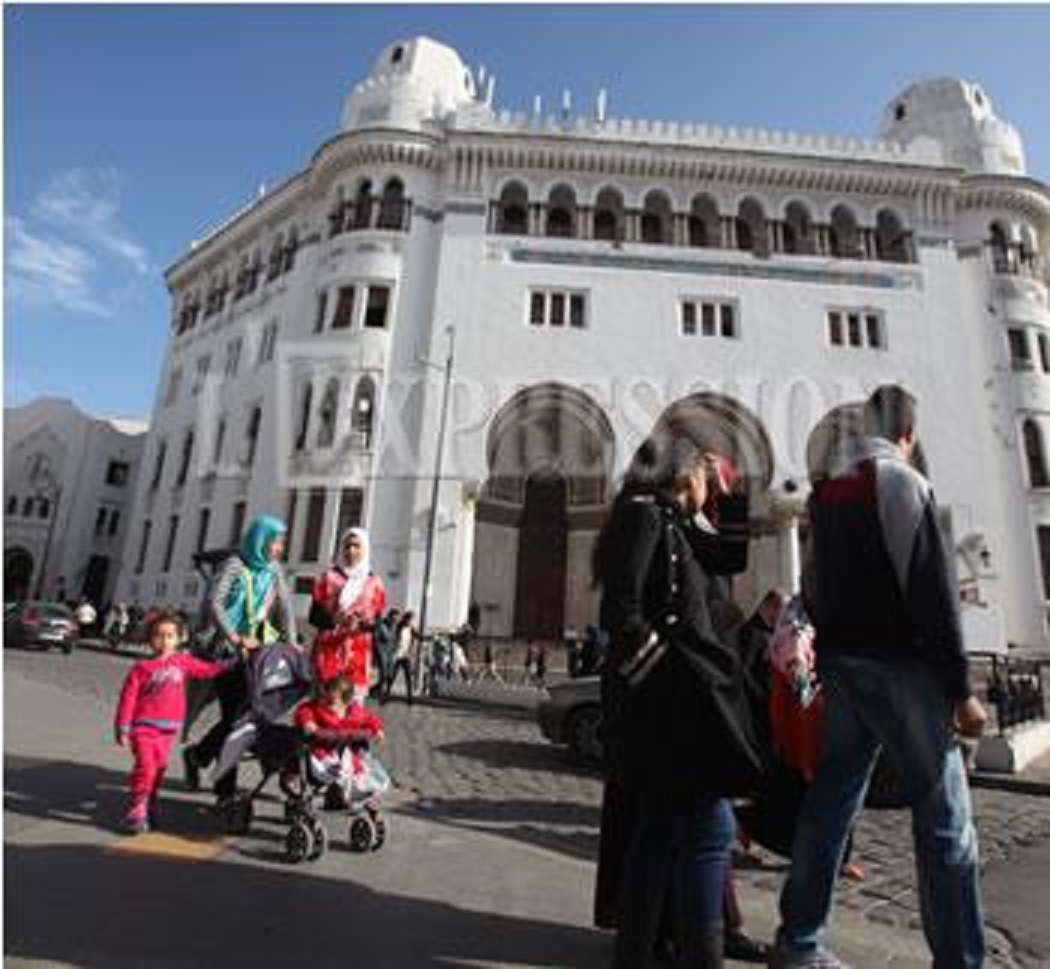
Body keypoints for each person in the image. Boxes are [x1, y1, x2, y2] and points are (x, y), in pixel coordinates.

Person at [770, 385, 988, 969]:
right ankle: (962, 960)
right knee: (944, 816)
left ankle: (798, 941)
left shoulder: (826, 493)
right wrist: (960, 688)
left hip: (843, 669)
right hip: (902, 668)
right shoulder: (901, 482)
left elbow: (811, 583)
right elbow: (931, 589)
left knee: (831, 802)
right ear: (908, 435)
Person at [595, 435, 765, 968]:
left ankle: (639, 954)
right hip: (672, 705)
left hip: (676, 703)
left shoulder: (668, 520)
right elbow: (621, 611)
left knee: (663, 831)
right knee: (704, 831)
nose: (704, 488)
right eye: (700, 478)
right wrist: (659, 675)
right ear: (681, 475)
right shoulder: (647, 517)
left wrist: (726, 495)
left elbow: (730, 553)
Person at [181, 515, 296, 806]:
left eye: (282, 542)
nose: (279, 548)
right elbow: (214, 603)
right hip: (224, 655)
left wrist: (292, 644)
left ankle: (199, 755)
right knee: (235, 720)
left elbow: (285, 610)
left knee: (244, 719)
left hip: (256, 655)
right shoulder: (235, 564)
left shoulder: (273, 571)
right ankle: (224, 791)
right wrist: (234, 637)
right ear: (260, 540)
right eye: (275, 541)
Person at [114, 611, 234, 833]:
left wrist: (231, 663)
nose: (164, 641)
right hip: (143, 727)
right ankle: (137, 808)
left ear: (179, 639)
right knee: (146, 766)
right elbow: (128, 699)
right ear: (150, 639)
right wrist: (123, 727)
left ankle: (149, 802)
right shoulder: (142, 668)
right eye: (159, 635)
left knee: (158, 768)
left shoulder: (183, 662)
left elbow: (207, 670)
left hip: (168, 729)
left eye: (170, 636)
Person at [309, 527, 387, 702]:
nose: (352, 551)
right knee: (325, 704)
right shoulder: (327, 578)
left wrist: (360, 625)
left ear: (365, 549)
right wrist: (334, 620)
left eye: (357, 546)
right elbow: (313, 616)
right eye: (347, 546)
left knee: (353, 707)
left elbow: (379, 623)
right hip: (328, 650)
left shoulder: (374, 583)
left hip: (357, 653)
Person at [294, 674, 388, 807]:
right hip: (322, 751)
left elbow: (369, 718)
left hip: (345, 751)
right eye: (324, 699)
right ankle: (339, 792)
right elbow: (304, 710)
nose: (326, 704)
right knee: (332, 769)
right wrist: (308, 723)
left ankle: (354, 792)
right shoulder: (319, 709)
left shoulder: (355, 713)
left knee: (357, 770)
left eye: (331, 702)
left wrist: (377, 730)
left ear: (347, 702)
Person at [384, 611, 416, 704]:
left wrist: (429, 638)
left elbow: (418, 636)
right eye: (410, 620)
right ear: (406, 619)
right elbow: (392, 638)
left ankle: (410, 698)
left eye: (412, 620)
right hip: (397, 655)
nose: (411, 622)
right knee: (392, 676)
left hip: (406, 655)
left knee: (408, 677)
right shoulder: (398, 627)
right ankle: (386, 695)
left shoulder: (411, 629)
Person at [372, 608, 400, 699]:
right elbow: (376, 640)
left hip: (390, 653)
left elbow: (394, 639)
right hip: (381, 652)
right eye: (393, 619)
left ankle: (373, 689)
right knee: (383, 674)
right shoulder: (381, 625)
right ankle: (379, 693)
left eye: (396, 619)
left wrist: (395, 649)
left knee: (390, 675)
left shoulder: (394, 626)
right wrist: (376, 655)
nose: (395, 621)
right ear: (389, 617)